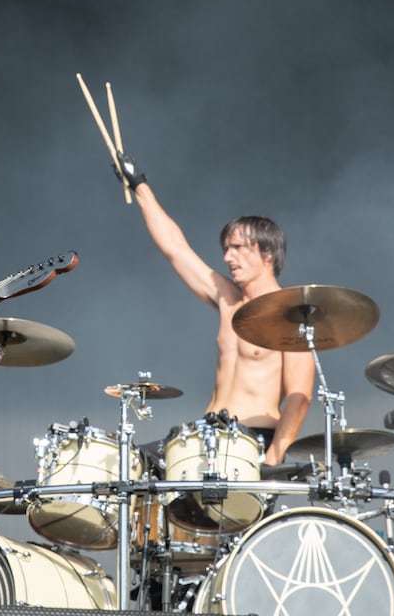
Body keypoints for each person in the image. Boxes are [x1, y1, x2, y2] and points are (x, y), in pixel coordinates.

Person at [112, 153, 314, 466]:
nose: (228, 258)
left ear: (268, 254)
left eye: (238, 248)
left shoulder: (289, 316)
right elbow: (176, 249)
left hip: (252, 440)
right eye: (226, 249)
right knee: (131, 465)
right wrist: (139, 185)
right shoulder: (228, 300)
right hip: (206, 435)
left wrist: (272, 462)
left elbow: (299, 398)